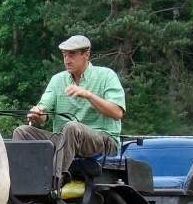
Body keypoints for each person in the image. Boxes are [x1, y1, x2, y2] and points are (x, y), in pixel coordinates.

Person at [12, 35, 125, 179]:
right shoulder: (58, 80)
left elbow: (117, 113)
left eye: (72, 55)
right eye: (64, 56)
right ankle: (22, 183)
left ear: (86, 55)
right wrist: (38, 114)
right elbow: (44, 111)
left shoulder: (106, 76)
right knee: (22, 132)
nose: (67, 60)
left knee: (72, 127)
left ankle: (54, 183)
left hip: (103, 141)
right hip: (64, 141)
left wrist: (88, 95)